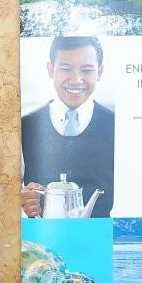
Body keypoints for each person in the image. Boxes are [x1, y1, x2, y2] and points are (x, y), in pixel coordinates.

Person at [21, 35, 114, 218]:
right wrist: (21, 199)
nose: (76, 80)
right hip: (41, 235)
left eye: (87, 70)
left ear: (100, 72)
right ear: (50, 70)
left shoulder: (117, 125)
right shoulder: (25, 125)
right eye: (66, 69)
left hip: (100, 233)